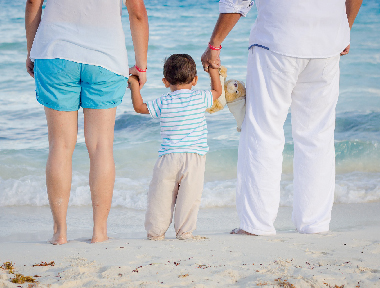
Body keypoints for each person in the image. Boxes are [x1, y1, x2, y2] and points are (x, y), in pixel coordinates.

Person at [201, 0, 362, 235]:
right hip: (327, 42)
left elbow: (236, 2)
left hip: (277, 39)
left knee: (263, 131)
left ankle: (257, 224)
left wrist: (214, 44)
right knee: (317, 135)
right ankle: (314, 223)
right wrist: (345, 28)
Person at [25, 0, 149, 244]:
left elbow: (32, 3)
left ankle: (60, 233)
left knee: (60, 146)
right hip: (106, 58)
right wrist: (141, 65)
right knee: (101, 146)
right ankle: (99, 232)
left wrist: (32, 50)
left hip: (55, 54)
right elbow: (137, 12)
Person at [128, 54, 222, 240]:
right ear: (195, 80)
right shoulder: (200, 98)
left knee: (160, 196)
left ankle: (155, 232)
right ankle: (184, 232)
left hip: (168, 157)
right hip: (194, 157)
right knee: (190, 197)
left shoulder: (163, 101)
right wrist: (213, 71)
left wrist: (133, 84)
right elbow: (217, 91)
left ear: (165, 82)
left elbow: (139, 107)